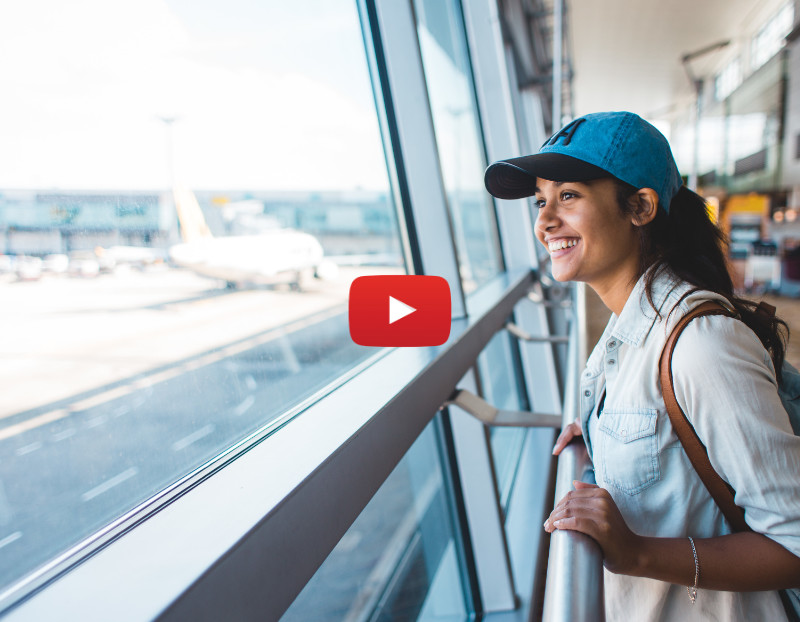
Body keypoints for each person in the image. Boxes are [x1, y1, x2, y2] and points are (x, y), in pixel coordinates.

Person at [484, 111, 800, 621]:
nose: (544, 220)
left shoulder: (702, 344)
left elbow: (794, 544)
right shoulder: (626, 326)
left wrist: (638, 553)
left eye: (568, 196)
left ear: (641, 207)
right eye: (541, 200)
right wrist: (600, 430)